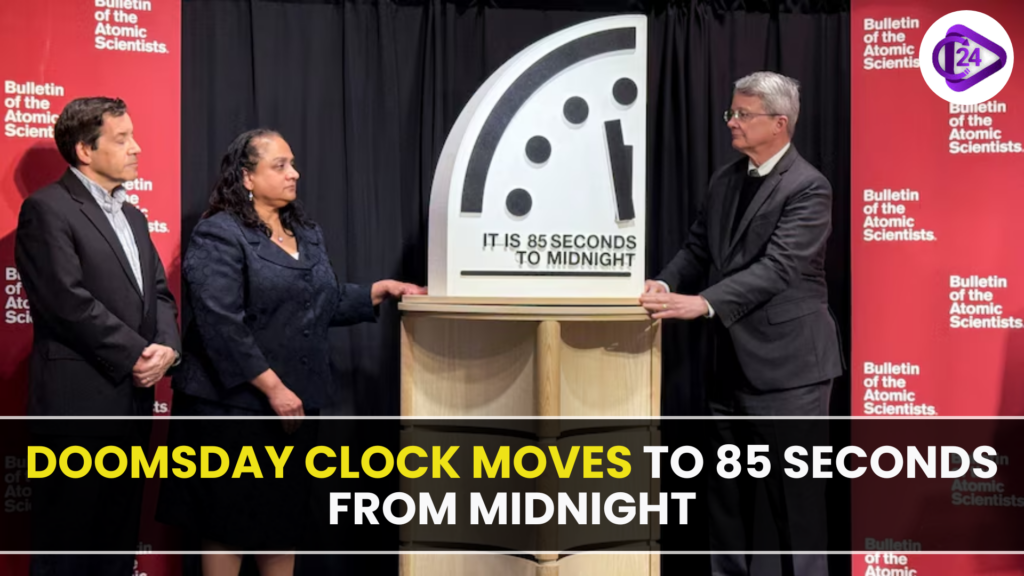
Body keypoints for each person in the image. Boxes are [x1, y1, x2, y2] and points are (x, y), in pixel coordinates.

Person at [158, 128, 425, 576]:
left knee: (283, 521)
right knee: (227, 525)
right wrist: (273, 388)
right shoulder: (218, 233)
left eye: (293, 164)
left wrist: (378, 291)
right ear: (247, 177)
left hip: (294, 406)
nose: (294, 173)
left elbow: (317, 303)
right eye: (280, 165)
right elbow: (220, 323)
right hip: (232, 408)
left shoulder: (306, 232)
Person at [640, 71, 844, 575]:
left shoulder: (809, 187)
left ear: (779, 123)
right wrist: (664, 284)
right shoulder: (725, 179)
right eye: (731, 112)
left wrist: (703, 303)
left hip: (790, 372)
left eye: (743, 114)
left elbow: (778, 268)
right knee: (725, 497)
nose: (731, 121)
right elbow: (697, 248)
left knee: (794, 502)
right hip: (727, 367)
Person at [15, 97, 181, 574]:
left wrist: (167, 349)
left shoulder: (135, 217)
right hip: (77, 408)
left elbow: (158, 294)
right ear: (85, 150)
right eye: (122, 138)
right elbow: (65, 301)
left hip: (132, 406)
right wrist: (137, 354)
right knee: (68, 547)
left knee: (117, 543)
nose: (137, 147)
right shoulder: (46, 209)